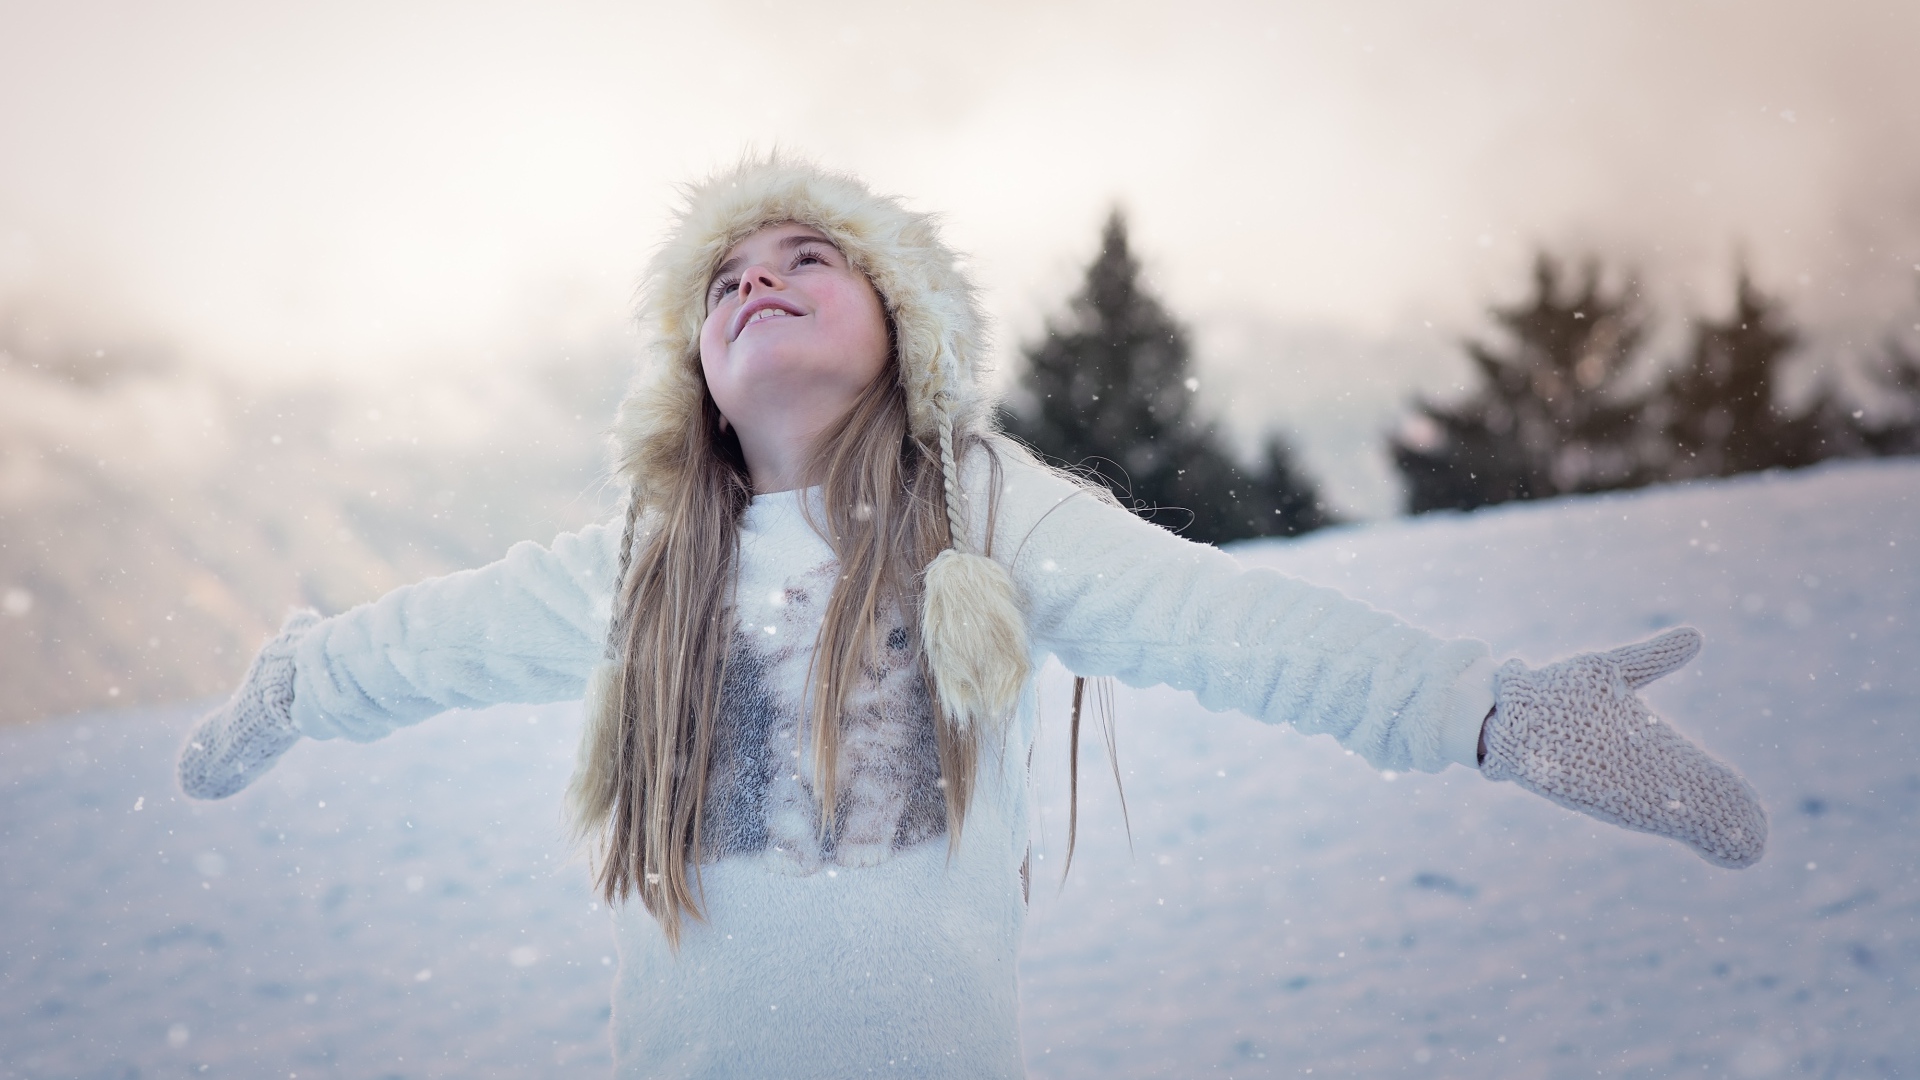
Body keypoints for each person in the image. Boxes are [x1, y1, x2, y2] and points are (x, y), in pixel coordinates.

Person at [176, 156, 1767, 1078]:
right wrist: (303, 677)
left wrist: (1489, 707)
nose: (758, 280)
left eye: (809, 258)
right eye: (724, 278)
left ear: (904, 333)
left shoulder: (984, 510)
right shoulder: (644, 567)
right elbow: (429, 641)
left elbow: (1225, 625)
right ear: (694, 373)